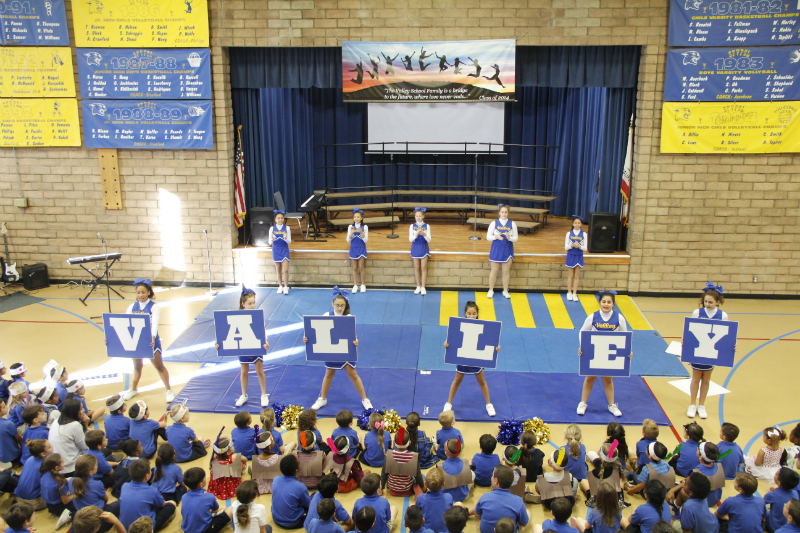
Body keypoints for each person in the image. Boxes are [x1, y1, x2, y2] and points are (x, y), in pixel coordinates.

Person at [307, 287, 372, 411]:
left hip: (345, 350)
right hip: (331, 350)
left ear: (345, 305)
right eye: (337, 305)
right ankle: (322, 398)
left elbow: (353, 336)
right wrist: (307, 339)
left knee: (353, 374)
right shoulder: (326, 316)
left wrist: (356, 341)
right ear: (332, 304)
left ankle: (365, 399)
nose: (340, 308)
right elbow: (317, 332)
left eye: (342, 305)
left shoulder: (349, 317)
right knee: (329, 374)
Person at [576, 291, 631, 418]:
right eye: (604, 302)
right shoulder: (592, 317)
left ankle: (612, 405)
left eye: (609, 302)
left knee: (608, 379)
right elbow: (582, 332)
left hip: (609, 355)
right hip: (595, 353)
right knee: (590, 378)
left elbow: (625, 336)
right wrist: (583, 347)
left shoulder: (619, 318)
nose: (606, 304)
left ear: (613, 304)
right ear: (599, 303)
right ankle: (583, 403)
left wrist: (628, 351)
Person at [214, 286, 270, 407]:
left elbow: (262, 330)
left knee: (260, 371)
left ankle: (263, 394)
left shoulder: (257, 316)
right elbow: (226, 331)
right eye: (249, 303)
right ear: (243, 304)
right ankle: (244, 394)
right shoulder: (237, 316)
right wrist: (219, 344)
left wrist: (266, 342)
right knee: (244, 371)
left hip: (255, 346)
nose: (252, 305)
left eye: (254, 303)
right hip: (243, 346)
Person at [119, 278, 173, 403]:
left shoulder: (154, 307)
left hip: (150, 341)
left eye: (143, 292)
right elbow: (124, 323)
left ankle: (169, 390)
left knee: (159, 366)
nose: (140, 295)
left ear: (148, 292)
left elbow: (154, 324)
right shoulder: (132, 307)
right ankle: (133, 389)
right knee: (137, 366)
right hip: (136, 341)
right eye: (138, 292)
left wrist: (152, 338)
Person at [442, 301, 499, 417]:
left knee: (482, 381)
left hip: (476, 359)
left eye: (474, 313)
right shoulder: (458, 325)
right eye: (469, 313)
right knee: (457, 380)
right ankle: (448, 403)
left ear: (477, 314)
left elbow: (489, 341)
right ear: (465, 313)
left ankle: (489, 404)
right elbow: (452, 340)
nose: (471, 316)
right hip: (463, 358)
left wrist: (496, 348)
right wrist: (446, 345)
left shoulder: (484, 327)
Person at [685, 282, 730, 419]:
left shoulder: (723, 316)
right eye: (705, 301)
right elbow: (691, 330)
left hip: (711, 352)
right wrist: (685, 341)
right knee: (695, 378)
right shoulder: (697, 313)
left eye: (710, 302)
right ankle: (692, 404)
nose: (707, 304)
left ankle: (701, 405)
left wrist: (731, 346)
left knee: (706, 379)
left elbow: (726, 335)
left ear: (718, 302)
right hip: (698, 350)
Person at [118, 458, 177, 532]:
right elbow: (162, 504)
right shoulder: (152, 490)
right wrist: (170, 502)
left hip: (124, 528)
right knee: (171, 505)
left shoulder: (124, 486)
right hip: (143, 529)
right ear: (146, 476)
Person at [70, 455, 122, 533]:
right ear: (91, 472)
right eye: (96, 465)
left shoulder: (71, 481)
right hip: (98, 516)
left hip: (82, 515)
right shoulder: (97, 484)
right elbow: (106, 499)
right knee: (121, 503)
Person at [473, 465, 529, 533]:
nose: (491, 478)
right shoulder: (518, 501)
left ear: (496, 481)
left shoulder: (484, 497)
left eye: (492, 476)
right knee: (528, 513)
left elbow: (477, 516)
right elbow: (524, 523)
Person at [180, 467, 233, 533]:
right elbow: (215, 509)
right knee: (231, 509)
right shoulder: (209, 496)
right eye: (204, 478)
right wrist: (224, 509)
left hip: (187, 531)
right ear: (200, 484)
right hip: (206, 530)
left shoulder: (184, 497)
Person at [582, 441, 628, 509]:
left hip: (599, 500)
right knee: (621, 482)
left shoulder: (596, 472)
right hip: (614, 499)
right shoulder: (618, 470)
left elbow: (593, 488)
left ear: (600, 457)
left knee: (583, 481)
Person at [271, 454, 311, 529]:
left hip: (276, 519)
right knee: (314, 500)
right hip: (293, 522)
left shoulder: (276, 479)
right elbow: (308, 505)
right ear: (296, 470)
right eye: (299, 463)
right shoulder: (300, 487)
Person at [48, 398, 87, 475]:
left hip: (58, 466)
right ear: (74, 411)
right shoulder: (75, 425)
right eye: (81, 409)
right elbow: (85, 446)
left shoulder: (56, 421)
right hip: (72, 467)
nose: (83, 411)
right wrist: (85, 426)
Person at [486, 204, 518, 299]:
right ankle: (491, 290)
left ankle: (505, 290)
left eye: (506, 212)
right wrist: (496, 236)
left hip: (507, 249)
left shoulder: (512, 224)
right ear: (499, 213)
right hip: (496, 249)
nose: (504, 213)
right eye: (502, 212)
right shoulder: (494, 223)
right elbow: (488, 237)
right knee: (494, 271)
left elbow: (516, 238)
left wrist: (509, 237)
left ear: (508, 213)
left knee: (506, 271)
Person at [381, 427, 423, 497]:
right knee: (422, 477)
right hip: (407, 490)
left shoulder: (388, 455)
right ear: (409, 443)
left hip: (392, 489)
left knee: (389, 476)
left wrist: (381, 487)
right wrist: (423, 487)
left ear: (394, 442)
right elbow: (418, 476)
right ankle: (418, 489)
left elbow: (383, 474)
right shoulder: (413, 456)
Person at [39, 453, 74, 529]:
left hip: (49, 505)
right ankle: (66, 517)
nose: (64, 462)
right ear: (56, 467)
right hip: (60, 507)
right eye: (62, 461)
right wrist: (75, 495)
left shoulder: (44, 475)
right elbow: (66, 501)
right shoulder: (60, 482)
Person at [207, 432, 246, 500]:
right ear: (227, 452)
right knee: (240, 461)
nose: (233, 446)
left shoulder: (214, 457)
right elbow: (245, 460)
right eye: (232, 446)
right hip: (231, 483)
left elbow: (211, 470)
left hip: (220, 485)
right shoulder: (234, 457)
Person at [15, 439, 50, 510]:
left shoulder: (29, 459)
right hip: (33, 503)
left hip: (18, 499)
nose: (52, 447)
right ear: (43, 454)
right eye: (49, 447)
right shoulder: (45, 465)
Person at [416, 467, 453, 533]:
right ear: (443, 484)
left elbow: (417, 514)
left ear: (425, 484)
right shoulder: (448, 497)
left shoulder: (421, 498)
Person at [766, 469, 800, 533]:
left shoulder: (772, 494)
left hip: (773, 527)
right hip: (789, 524)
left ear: (779, 483)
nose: (775, 474)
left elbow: (760, 503)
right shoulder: (795, 493)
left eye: (776, 474)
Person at [441, 439, 473, 503]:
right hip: (463, 496)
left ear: (446, 453)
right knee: (472, 473)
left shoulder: (441, 467)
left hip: (447, 498)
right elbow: (469, 478)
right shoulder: (465, 464)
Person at [409, 207, 432, 295]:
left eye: (419, 216)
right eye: (416, 216)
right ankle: (418, 286)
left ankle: (423, 287)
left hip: (424, 247)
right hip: (415, 247)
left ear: (423, 216)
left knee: (424, 268)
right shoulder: (412, 226)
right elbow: (410, 239)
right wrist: (416, 234)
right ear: (415, 217)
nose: (418, 217)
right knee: (416, 268)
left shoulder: (427, 226)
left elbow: (429, 240)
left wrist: (424, 234)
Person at [268, 210, 291, 294]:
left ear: (284, 219)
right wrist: (272, 239)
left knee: (286, 270)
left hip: (284, 249)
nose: (280, 219)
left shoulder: (287, 228)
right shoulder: (271, 228)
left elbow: (289, 242)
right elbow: (269, 242)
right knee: (278, 269)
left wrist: (285, 238)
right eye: (278, 218)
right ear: (275, 219)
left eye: (282, 218)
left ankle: (286, 286)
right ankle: (280, 286)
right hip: (276, 250)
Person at [565, 216, 587, 301]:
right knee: (571, 276)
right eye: (575, 223)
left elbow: (585, 248)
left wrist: (579, 246)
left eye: (578, 223)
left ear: (581, 224)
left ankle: (574, 293)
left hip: (579, 256)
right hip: (571, 255)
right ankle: (569, 292)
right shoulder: (569, 234)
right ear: (573, 224)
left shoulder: (584, 234)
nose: (577, 224)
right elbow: (566, 247)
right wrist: (572, 245)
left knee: (577, 276)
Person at [348, 208, 369, 293]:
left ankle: (363, 285)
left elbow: (366, 240)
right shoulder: (350, 227)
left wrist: (361, 232)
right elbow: (348, 240)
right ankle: (355, 285)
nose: (356, 218)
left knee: (361, 267)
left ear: (361, 218)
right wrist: (351, 233)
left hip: (361, 248)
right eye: (355, 217)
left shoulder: (365, 227)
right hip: (353, 248)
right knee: (354, 268)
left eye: (358, 217)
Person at [0, 398, 22, 464]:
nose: (7, 407)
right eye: (4, 407)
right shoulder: (8, 424)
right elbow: (19, 439)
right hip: (12, 456)